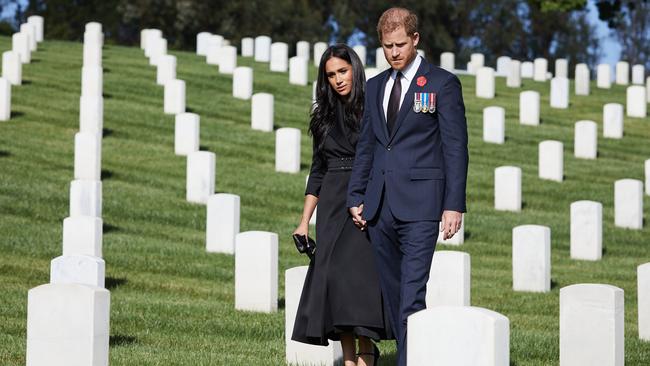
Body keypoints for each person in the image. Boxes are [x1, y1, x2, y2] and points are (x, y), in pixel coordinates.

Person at [347, 7, 469, 366]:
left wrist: (454, 204)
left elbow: (455, 147)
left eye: (400, 44)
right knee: (393, 292)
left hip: (422, 207)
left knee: (412, 294)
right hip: (380, 207)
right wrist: (356, 195)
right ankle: (417, 355)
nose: (394, 52)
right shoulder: (374, 86)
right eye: (387, 46)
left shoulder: (442, 84)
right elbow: (367, 145)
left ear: (415, 39)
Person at [292, 44, 392, 366]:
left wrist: (368, 199)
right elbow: (317, 170)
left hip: (363, 196)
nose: (338, 79)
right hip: (333, 202)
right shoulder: (322, 115)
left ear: (355, 69)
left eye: (342, 71)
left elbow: (381, 158)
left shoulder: (373, 107)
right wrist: (304, 221)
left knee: (358, 278)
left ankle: (366, 352)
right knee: (334, 277)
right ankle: (349, 358)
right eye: (331, 74)